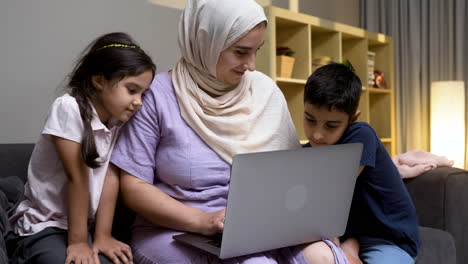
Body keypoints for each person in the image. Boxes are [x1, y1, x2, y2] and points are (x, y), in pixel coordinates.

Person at [110, 0, 349, 263]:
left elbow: (293, 176)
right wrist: (202, 221)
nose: (252, 65)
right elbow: (134, 187)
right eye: (241, 52)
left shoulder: (265, 92)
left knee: (324, 257)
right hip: (176, 230)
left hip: (262, 226)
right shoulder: (157, 96)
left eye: (257, 51)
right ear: (205, 41)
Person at [7, 32, 156, 264]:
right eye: (132, 90)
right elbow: (77, 178)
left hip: (82, 226)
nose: (139, 101)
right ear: (99, 81)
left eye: (143, 93)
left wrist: (103, 236)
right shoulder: (68, 108)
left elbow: (110, 178)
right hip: (45, 225)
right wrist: (77, 243)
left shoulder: (117, 122)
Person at [302, 63, 420, 264]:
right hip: (351, 232)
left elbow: (331, 192)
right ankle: (351, 247)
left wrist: (337, 248)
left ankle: (350, 249)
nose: (317, 134)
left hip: (387, 238)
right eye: (310, 120)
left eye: (331, 125)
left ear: (352, 118)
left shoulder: (361, 134)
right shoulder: (309, 150)